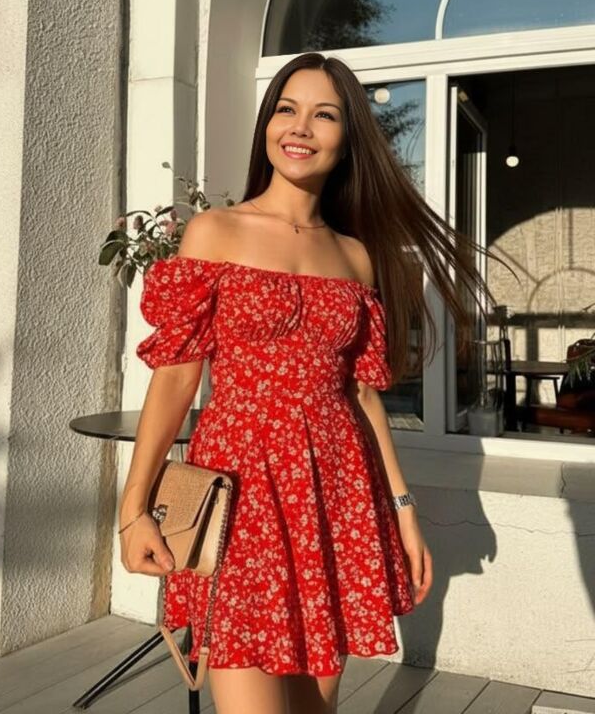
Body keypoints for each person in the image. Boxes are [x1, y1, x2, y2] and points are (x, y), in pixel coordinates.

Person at [118, 52, 499, 714]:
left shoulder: (354, 256)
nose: (300, 127)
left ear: (348, 140)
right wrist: (134, 510)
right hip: (239, 489)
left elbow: (361, 393)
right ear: (267, 124)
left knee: (316, 705)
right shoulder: (214, 232)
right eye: (287, 109)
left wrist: (403, 510)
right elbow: (176, 377)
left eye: (324, 115)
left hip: (336, 494)